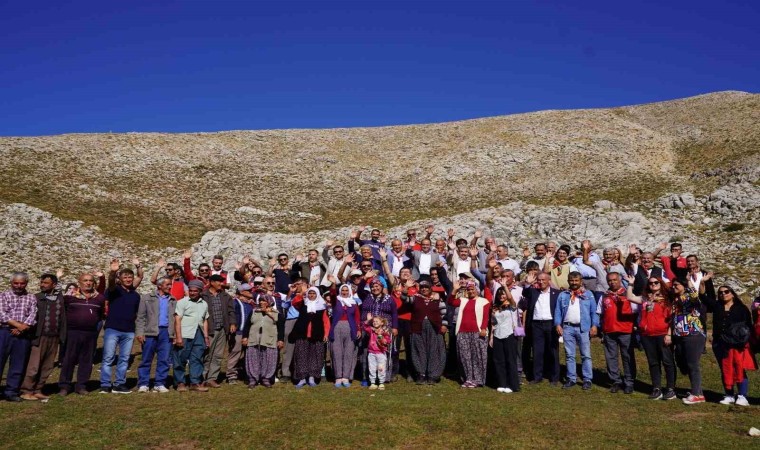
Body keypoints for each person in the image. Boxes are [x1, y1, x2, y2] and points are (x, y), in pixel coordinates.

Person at [701, 281, 756, 406]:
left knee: (739, 368)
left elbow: (748, 325)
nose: (723, 294)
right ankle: (729, 394)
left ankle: (742, 395)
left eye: (726, 292)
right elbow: (703, 297)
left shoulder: (741, 308)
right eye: (720, 293)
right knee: (725, 368)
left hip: (737, 344)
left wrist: (745, 340)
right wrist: (703, 283)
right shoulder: (717, 306)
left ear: (732, 294)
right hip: (720, 343)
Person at [625, 274, 677, 400]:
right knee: (653, 362)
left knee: (667, 361)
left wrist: (669, 334)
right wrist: (631, 284)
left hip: (663, 334)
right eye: (651, 283)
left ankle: (670, 389)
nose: (653, 285)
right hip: (647, 335)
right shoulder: (645, 299)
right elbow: (629, 297)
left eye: (656, 283)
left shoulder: (668, 299)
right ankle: (656, 388)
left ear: (660, 284)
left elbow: (672, 318)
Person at [58, 272, 106, 396]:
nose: (88, 283)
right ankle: (65, 386)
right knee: (69, 359)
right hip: (72, 332)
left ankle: (81, 385)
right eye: (85, 280)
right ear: (79, 282)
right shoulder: (70, 296)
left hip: (90, 333)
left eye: (90, 280)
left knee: (87, 360)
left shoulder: (99, 298)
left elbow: (100, 314)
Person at [20, 272, 66, 401]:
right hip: (39, 337)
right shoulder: (36, 297)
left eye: (46, 283)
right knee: (34, 366)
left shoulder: (60, 299)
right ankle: (26, 390)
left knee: (47, 366)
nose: (42, 285)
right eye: (41, 282)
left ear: (54, 285)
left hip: (54, 337)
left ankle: (38, 389)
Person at [101, 259, 142, 394]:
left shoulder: (135, 295)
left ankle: (119, 384)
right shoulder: (114, 290)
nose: (128, 279)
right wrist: (112, 272)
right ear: (120, 278)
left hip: (129, 330)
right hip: (113, 328)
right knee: (108, 357)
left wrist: (138, 266)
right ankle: (105, 384)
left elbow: (140, 277)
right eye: (125, 277)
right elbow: (111, 282)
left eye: (130, 277)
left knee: (124, 359)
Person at [554, 272, 598, 390]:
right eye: (572, 281)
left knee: (586, 355)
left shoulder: (588, 295)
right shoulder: (563, 295)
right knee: (569, 355)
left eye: (576, 281)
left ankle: (587, 379)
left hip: (583, 328)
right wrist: (558, 324)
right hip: (567, 328)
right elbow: (558, 311)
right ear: (568, 281)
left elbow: (594, 312)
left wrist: (594, 325)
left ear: (581, 281)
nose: (574, 283)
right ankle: (571, 378)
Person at [0, 272, 38, 402]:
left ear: (26, 283)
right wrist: (18, 326)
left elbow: (33, 314)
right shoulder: (4, 295)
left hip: (23, 334)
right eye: (16, 283)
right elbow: (2, 314)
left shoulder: (31, 297)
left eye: (22, 283)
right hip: (4, 331)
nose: (19, 286)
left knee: (18, 363)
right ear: (11, 283)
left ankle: (11, 391)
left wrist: (23, 327)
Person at [597, 272, 636, 394]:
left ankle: (629, 382)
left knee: (627, 357)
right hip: (609, 331)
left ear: (619, 280)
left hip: (625, 331)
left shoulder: (628, 294)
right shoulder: (604, 296)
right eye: (609, 280)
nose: (612, 282)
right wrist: (601, 330)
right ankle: (616, 381)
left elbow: (636, 312)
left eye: (614, 280)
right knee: (611, 357)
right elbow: (600, 313)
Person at [135, 277, 176, 393]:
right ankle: (143, 383)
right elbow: (141, 317)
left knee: (164, 359)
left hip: (166, 332)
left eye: (170, 284)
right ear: (159, 286)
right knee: (146, 359)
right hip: (150, 332)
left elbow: (175, 318)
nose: (169, 287)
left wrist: (174, 334)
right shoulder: (147, 298)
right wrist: (140, 332)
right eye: (167, 284)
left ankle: (160, 383)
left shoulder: (173, 299)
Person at [402, 280, 447, 385]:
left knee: (434, 350)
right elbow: (404, 299)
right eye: (422, 287)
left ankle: (432, 375)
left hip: (434, 328)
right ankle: (421, 374)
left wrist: (444, 325)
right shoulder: (415, 298)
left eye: (426, 287)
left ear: (430, 288)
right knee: (419, 350)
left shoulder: (437, 299)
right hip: (418, 327)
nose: (424, 289)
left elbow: (444, 313)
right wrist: (406, 288)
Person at [670, 278, 706, 405]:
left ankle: (697, 394)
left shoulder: (689, 298)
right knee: (682, 362)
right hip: (679, 335)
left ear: (683, 286)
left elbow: (695, 297)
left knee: (692, 364)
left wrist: (689, 282)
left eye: (676, 285)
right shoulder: (674, 300)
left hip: (693, 333)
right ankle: (698, 391)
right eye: (672, 285)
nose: (673, 287)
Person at [449, 280, 490, 388]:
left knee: (477, 356)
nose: (471, 291)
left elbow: (486, 317)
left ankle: (478, 379)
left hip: (477, 332)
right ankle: (468, 378)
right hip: (463, 332)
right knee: (465, 356)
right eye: (468, 290)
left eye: (472, 289)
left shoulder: (484, 301)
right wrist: (455, 289)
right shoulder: (463, 300)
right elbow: (450, 302)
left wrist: (483, 328)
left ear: (476, 290)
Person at [522, 273, 561, 385]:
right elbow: (525, 292)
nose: (541, 282)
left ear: (549, 280)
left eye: (544, 280)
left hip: (551, 324)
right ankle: (537, 376)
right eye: (539, 280)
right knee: (537, 351)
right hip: (536, 325)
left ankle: (554, 377)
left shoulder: (556, 293)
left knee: (553, 351)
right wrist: (528, 283)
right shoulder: (533, 292)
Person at [172, 280, 210, 392]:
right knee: (180, 358)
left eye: (195, 291)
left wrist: (206, 337)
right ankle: (180, 382)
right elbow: (177, 319)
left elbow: (205, 321)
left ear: (200, 291)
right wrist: (178, 337)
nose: (192, 293)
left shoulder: (204, 304)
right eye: (191, 290)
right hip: (185, 333)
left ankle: (195, 382)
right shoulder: (182, 302)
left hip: (199, 333)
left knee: (197, 358)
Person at [290, 287, 330, 388]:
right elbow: (294, 302)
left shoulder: (322, 307)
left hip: (317, 334)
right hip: (302, 334)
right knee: (301, 356)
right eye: (310, 293)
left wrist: (326, 334)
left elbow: (326, 321)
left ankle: (312, 377)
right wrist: (302, 293)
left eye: (314, 293)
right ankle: (302, 378)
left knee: (315, 356)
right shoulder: (303, 304)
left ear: (317, 295)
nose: (311, 295)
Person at [201, 274, 236, 388]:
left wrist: (232, 323)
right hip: (209, 329)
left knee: (218, 355)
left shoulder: (225, 296)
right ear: (211, 282)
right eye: (219, 282)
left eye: (222, 282)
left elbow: (231, 311)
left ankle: (212, 378)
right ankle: (202, 377)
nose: (221, 284)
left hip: (222, 329)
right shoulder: (203, 295)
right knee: (207, 354)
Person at [242, 294, 279, 388]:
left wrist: (281, 340)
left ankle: (266, 378)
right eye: (261, 301)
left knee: (268, 359)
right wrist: (245, 337)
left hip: (269, 339)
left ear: (269, 302)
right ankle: (253, 379)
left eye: (264, 301)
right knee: (253, 358)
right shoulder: (254, 311)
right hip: (254, 338)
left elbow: (280, 326)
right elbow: (247, 325)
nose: (262, 302)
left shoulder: (276, 313)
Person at [329, 284, 361, 388]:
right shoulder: (336, 301)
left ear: (350, 292)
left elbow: (357, 318)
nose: (344, 292)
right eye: (342, 290)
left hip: (350, 328)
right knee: (337, 352)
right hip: (337, 328)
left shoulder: (353, 303)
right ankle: (338, 376)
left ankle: (346, 376)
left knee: (349, 352)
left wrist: (358, 329)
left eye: (346, 290)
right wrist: (333, 284)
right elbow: (332, 294)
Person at [490, 287, 521, 394]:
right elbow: (493, 323)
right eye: (499, 295)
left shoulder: (512, 306)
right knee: (499, 360)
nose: (502, 296)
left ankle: (512, 384)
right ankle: (502, 383)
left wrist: (505, 287)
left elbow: (511, 298)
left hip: (509, 335)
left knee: (510, 360)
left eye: (503, 294)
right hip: (497, 335)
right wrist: (491, 337)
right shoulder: (495, 307)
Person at [227, 284, 254, 385]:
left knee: (248, 353)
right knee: (235, 352)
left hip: (248, 333)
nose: (251, 292)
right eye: (248, 291)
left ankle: (245, 372)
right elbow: (231, 314)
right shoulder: (235, 302)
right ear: (242, 292)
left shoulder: (250, 304)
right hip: (238, 332)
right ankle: (231, 375)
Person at [364, 315, 391, 390]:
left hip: (381, 353)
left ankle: (381, 382)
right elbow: (365, 327)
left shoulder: (384, 331)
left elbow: (388, 341)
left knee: (381, 368)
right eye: (373, 321)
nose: (375, 323)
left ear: (382, 323)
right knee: (371, 368)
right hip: (371, 353)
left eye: (377, 321)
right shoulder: (371, 330)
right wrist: (368, 321)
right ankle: (372, 383)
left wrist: (380, 337)